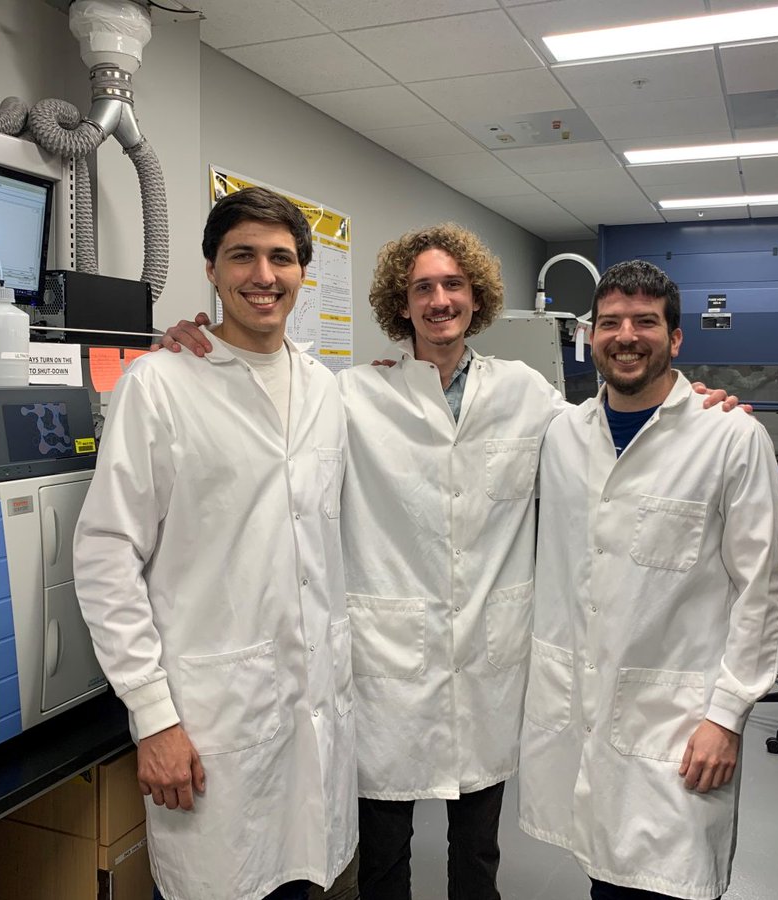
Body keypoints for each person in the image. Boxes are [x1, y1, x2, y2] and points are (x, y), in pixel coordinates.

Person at [159, 224, 739, 900]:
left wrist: (695, 404)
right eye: (423, 288)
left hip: (486, 663)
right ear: (400, 304)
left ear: (476, 297)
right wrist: (198, 344)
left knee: (477, 858)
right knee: (382, 860)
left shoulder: (524, 393)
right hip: (387, 667)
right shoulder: (352, 394)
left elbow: (607, 427)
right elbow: (266, 379)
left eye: (453, 285)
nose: (440, 299)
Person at [73, 186, 357, 900]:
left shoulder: (327, 388)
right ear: (211, 268)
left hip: (313, 720)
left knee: (305, 883)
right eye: (243, 256)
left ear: (302, 272)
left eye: (281, 258)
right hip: (209, 724)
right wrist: (154, 717)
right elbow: (107, 553)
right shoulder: (160, 383)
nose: (264, 275)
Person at [517, 260, 778, 900]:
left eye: (645, 322)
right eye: (609, 323)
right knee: (601, 870)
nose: (626, 336)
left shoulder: (732, 437)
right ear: (590, 338)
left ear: (676, 338)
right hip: (582, 708)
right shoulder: (560, 434)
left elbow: (761, 590)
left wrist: (728, 716)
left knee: (668, 881)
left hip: (681, 723)